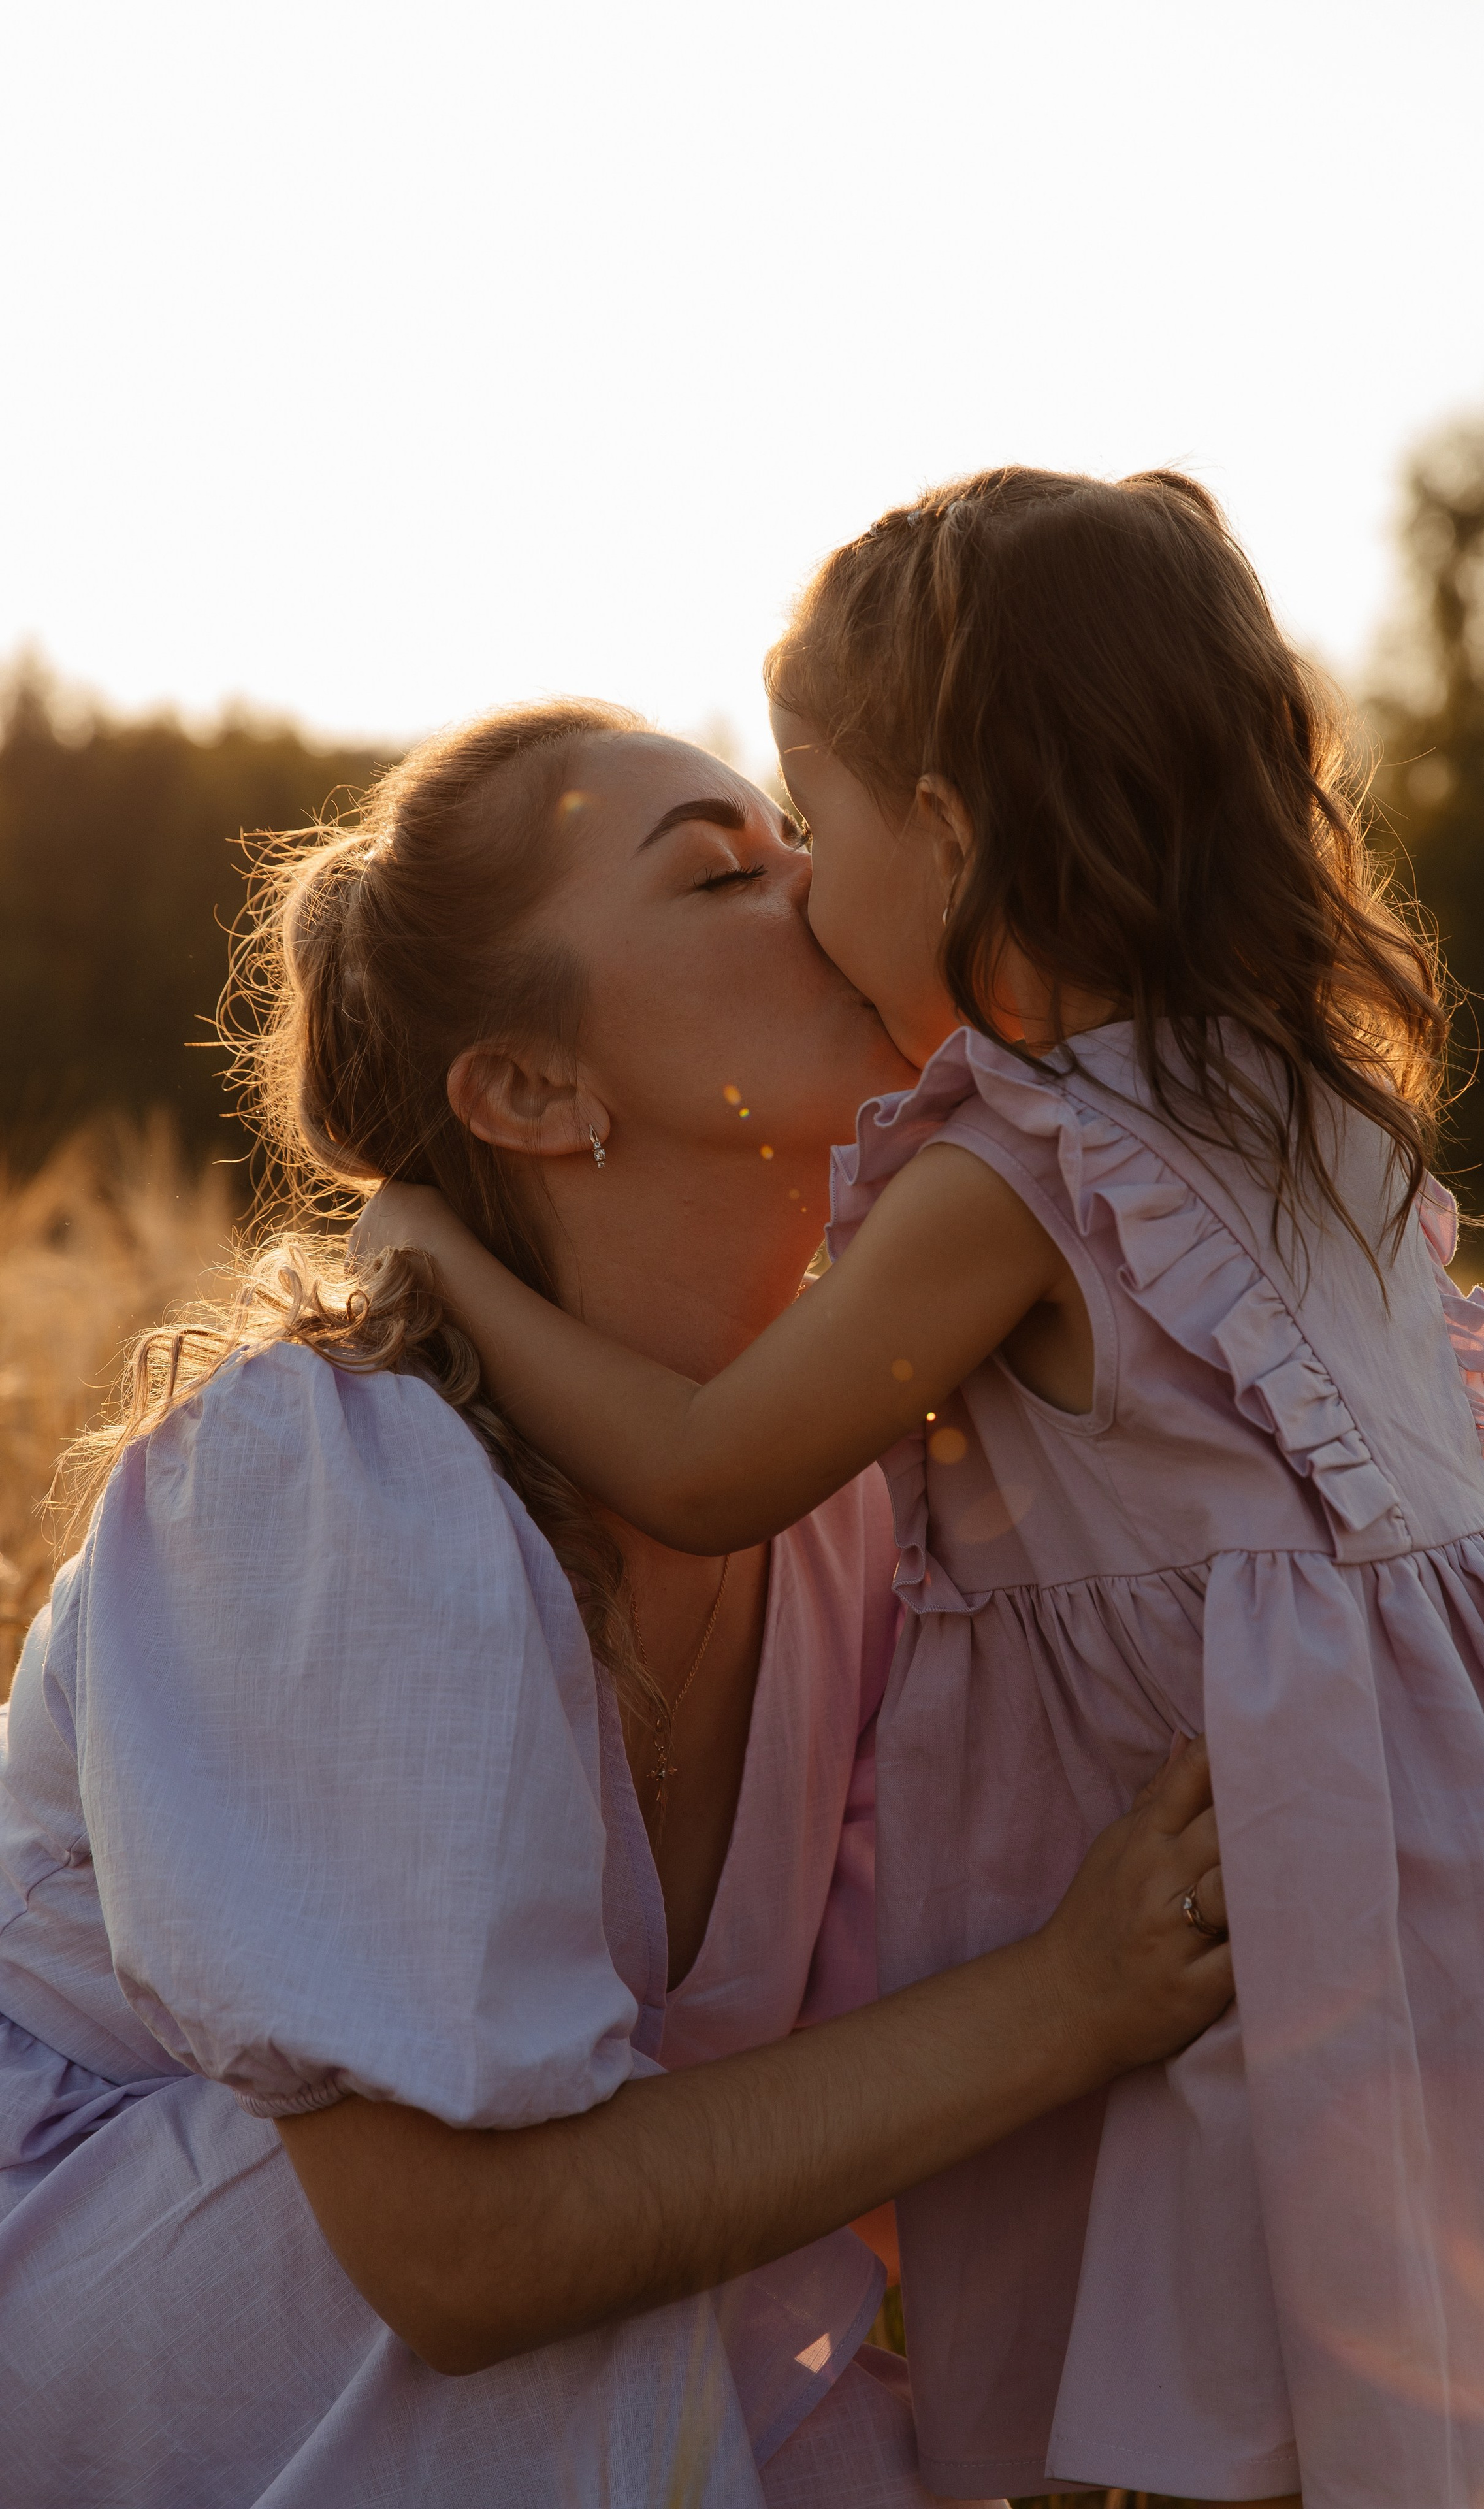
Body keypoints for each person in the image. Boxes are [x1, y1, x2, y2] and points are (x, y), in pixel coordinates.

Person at [359, 476, 1484, 2509]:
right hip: (1468, 1870)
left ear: (952, 836)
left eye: (816, 818)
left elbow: (711, 1472)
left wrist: (448, 1270)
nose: (799, 888)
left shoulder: (1016, 1175)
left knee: (1166, 2425)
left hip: (1260, 1909)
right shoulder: (1293, 1108)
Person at [0, 698, 1234, 2509]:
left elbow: (876, 2137)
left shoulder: (847, 1519)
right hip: (135, 2305)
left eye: (792, 836)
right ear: (533, 1089)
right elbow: (461, 2259)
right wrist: (1073, 2000)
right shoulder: (329, 1468)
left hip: (585, 2329)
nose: (820, 885)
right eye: (727, 870)